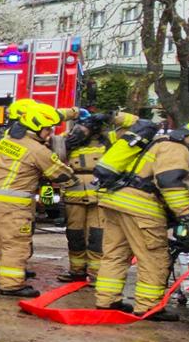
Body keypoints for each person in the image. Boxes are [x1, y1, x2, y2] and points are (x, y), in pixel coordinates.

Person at [93, 116, 189, 321]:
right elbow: (169, 182)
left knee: (115, 254)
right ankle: (148, 307)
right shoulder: (177, 148)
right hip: (141, 207)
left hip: (115, 201)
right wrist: (187, 216)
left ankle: (106, 301)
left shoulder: (159, 141)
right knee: (154, 258)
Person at [0, 100, 76, 297]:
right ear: (35, 128)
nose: (50, 134)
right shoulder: (37, 150)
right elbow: (63, 176)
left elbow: (51, 114)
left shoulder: (9, 139)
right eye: (47, 130)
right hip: (13, 206)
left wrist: (72, 113)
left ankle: (2, 279)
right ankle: (12, 285)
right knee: (16, 245)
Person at [57, 109, 136, 283]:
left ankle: (96, 274)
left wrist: (112, 116)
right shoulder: (68, 138)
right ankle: (76, 271)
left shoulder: (112, 138)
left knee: (97, 237)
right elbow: (51, 152)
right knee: (75, 235)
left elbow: (138, 125)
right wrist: (67, 143)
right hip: (73, 195)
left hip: (100, 197)